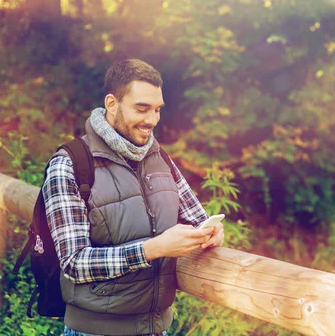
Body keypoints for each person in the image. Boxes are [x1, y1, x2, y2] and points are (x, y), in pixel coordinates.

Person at [43, 59, 224, 336]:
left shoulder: (160, 158)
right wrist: (153, 249)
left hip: (157, 329)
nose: (151, 120)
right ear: (112, 104)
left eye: (157, 110)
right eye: (141, 109)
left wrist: (210, 233)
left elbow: (197, 219)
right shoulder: (69, 164)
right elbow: (74, 263)